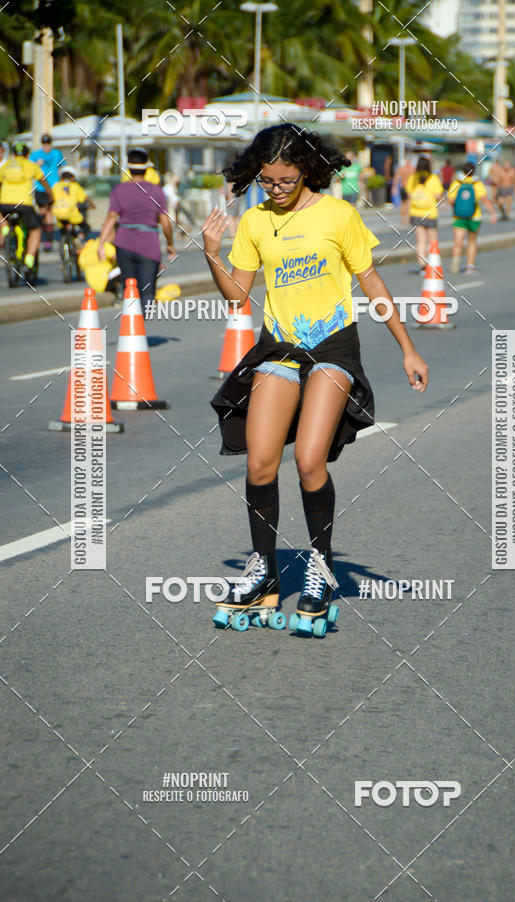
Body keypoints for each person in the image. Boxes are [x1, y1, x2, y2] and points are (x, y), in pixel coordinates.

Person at [204, 124, 429, 631]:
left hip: (332, 348)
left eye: (284, 181)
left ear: (306, 171)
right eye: (266, 182)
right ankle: (263, 572)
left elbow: (370, 279)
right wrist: (212, 255)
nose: (275, 190)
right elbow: (238, 297)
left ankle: (321, 568)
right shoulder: (256, 221)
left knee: (309, 460)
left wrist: (407, 348)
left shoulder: (338, 215)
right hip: (279, 350)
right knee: (260, 462)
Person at [97, 148, 175, 315]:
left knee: (129, 287)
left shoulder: (118, 190)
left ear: (129, 168)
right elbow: (165, 223)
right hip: (149, 245)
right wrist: (170, 244)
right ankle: (140, 326)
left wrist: (101, 243)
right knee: (147, 291)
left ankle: (131, 324)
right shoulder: (156, 191)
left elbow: (111, 217)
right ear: (147, 168)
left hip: (124, 244)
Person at [0, 141, 53, 283]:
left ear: (14, 153)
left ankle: (6, 231)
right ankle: (29, 260)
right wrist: (51, 195)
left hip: (5, 204)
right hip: (24, 205)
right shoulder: (31, 165)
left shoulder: (6, 165)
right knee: (36, 230)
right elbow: (43, 181)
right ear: (27, 154)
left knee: (2, 214)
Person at [448, 161, 497, 275]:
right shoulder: (477, 184)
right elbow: (484, 199)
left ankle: (455, 263)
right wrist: (492, 212)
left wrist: (458, 206)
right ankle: (470, 267)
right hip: (474, 217)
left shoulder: (456, 183)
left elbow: (450, 200)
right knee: (472, 241)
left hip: (458, 217)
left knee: (458, 242)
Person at [405, 155, 444, 273]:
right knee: (432, 241)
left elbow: (409, 194)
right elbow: (438, 196)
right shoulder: (433, 178)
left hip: (416, 213)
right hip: (430, 213)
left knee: (420, 240)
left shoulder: (413, 178)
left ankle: (422, 266)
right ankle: (433, 264)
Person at [30, 133, 65, 250]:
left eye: (48, 144)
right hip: (40, 188)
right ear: (42, 144)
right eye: (44, 144)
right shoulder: (35, 155)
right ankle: (41, 236)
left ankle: (48, 241)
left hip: (54, 187)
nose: (47, 146)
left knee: (51, 213)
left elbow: (62, 167)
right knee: (42, 213)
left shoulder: (57, 154)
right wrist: (36, 164)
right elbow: (28, 167)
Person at [52, 166, 95, 241]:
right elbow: (84, 198)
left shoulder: (56, 186)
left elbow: (51, 198)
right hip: (72, 213)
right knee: (86, 228)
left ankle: (64, 239)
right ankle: (79, 238)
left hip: (58, 213)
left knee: (63, 227)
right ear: (72, 177)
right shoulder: (75, 186)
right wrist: (92, 205)